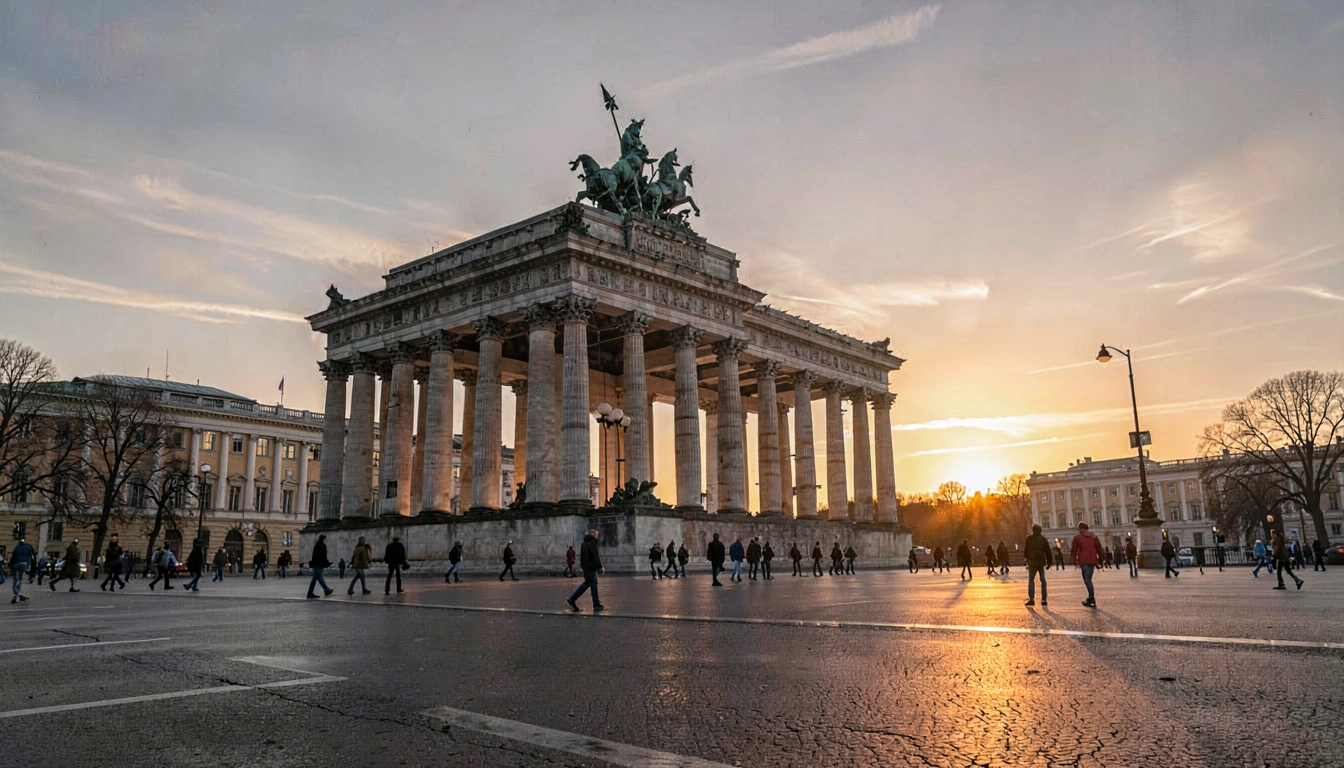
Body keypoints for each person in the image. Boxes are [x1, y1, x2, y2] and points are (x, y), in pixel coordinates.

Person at [566, 528, 605, 612]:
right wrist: (600, 567)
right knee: (593, 583)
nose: (597, 537)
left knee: (588, 583)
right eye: (597, 535)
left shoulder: (584, 543)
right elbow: (595, 556)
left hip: (586, 567)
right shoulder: (593, 542)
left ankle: (572, 599)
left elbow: (582, 556)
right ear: (594, 535)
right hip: (591, 567)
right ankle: (596, 604)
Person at [1071, 522, 1106, 608]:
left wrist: (1074, 560)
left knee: (1087, 580)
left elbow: (1074, 550)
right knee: (1088, 579)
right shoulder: (1094, 537)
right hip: (1092, 560)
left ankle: (1091, 598)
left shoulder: (1077, 538)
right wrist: (1100, 561)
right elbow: (1100, 549)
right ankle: (1090, 597)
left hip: (1083, 560)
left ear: (1080, 528)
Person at [1024, 524, 1051, 607]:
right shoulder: (1043, 539)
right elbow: (1048, 552)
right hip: (1041, 561)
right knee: (1043, 580)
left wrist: (1027, 558)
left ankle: (1031, 599)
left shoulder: (1029, 538)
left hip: (1032, 561)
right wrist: (1049, 563)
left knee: (1031, 580)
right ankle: (1044, 599)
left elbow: (1026, 550)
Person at [307, 534, 334, 598]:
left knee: (317, 579)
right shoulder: (322, 546)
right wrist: (327, 563)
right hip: (319, 565)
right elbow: (323, 557)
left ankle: (311, 593)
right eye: (325, 539)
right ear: (323, 539)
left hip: (315, 564)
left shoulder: (317, 545)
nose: (326, 540)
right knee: (319, 578)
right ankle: (326, 590)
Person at [9, 536, 36, 603]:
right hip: (23, 564)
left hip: (15, 564)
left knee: (15, 579)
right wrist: (30, 568)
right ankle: (18, 594)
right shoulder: (28, 547)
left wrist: (11, 564)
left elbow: (13, 556)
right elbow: (32, 557)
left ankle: (17, 594)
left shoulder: (17, 547)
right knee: (19, 579)